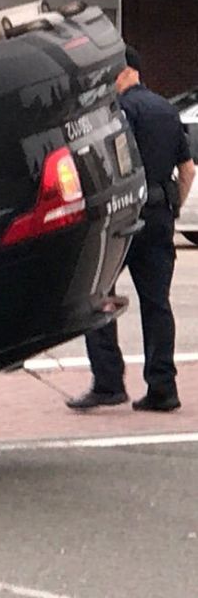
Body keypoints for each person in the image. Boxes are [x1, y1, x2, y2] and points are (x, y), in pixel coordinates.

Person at [68, 46, 195, 413]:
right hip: (159, 218)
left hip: (123, 218)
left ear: (122, 72)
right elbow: (187, 169)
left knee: (95, 295)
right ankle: (162, 388)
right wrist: (173, 209)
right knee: (157, 304)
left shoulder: (117, 112)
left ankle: (108, 383)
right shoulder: (167, 110)